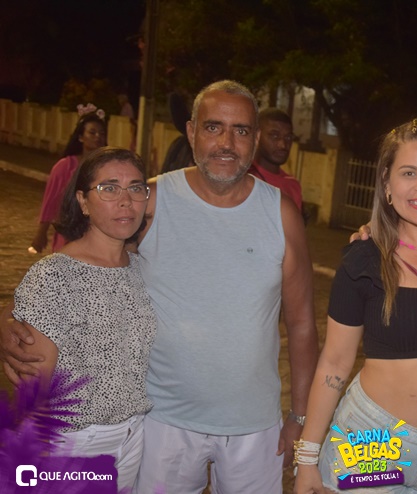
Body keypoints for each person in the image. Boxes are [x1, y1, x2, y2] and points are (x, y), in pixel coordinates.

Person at [2, 80, 318, 493]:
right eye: (213, 127)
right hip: (161, 420)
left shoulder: (280, 213)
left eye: (240, 130)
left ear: (254, 139)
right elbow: (82, 262)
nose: (226, 143)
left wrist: (300, 417)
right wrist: (13, 317)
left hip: (254, 425)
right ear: (191, 132)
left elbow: (302, 323)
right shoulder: (148, 200)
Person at [294, 117, 417, 494]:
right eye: (409, 172)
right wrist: (306, 459)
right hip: (376, 444)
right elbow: (334, 363)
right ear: (386, 182)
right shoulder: (363, 261)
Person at [13, 146, 156, 491]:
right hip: (75, 441)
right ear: (83, 201)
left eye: (136, 188)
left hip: (134, 436)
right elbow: (34, 383)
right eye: (109, 188)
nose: (126, 201)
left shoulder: (142, 269)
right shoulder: (53, 275)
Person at [31, 106, 107, 253]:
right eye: (92, 132)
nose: (98, 136)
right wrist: (41, 232)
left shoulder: (108, 167)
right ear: (81, 137)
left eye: (102, 133)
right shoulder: (65, 166)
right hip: (69, 235)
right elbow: (51, 200)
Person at [248, 107, 303, 214]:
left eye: (288, 137)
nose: (283, 145)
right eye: (274, 136)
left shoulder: (292, 185)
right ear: (256, 136)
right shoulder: (242, 178)